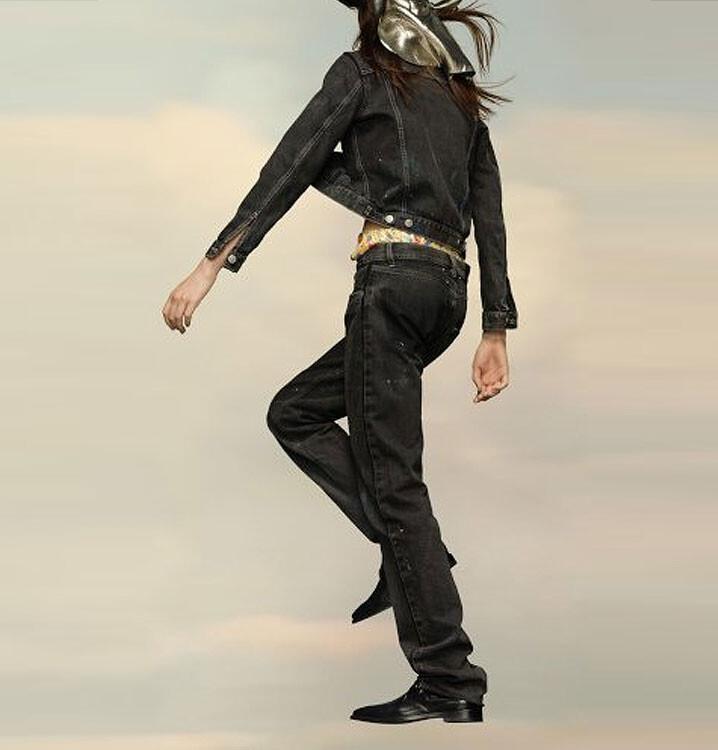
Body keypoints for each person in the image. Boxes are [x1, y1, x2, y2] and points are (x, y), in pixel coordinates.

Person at [161, 0, 518, 725]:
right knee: (295, 413)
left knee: (398, 487)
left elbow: (290, 163)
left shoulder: (361, 73)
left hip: (392, 284)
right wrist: (494, 328)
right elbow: (489, 211)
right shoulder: (458, 97)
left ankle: (449, 675)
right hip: (445, 296)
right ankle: (409, 552)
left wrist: (210, 264)